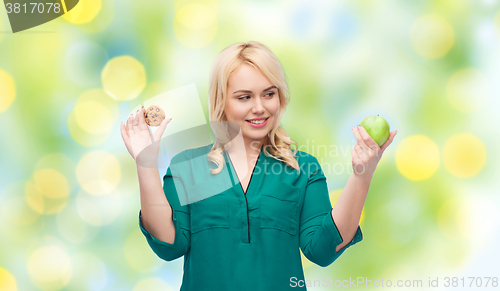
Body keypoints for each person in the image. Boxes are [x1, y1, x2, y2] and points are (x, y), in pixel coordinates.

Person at [120, 41, 397, 291]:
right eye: (244, 97)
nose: (260, 107)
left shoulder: (302, 169)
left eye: (268, 94)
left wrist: (362, 175)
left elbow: (323, 250)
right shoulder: (189, 167)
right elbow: (169, 245)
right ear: (221, 102)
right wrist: (146, 164)